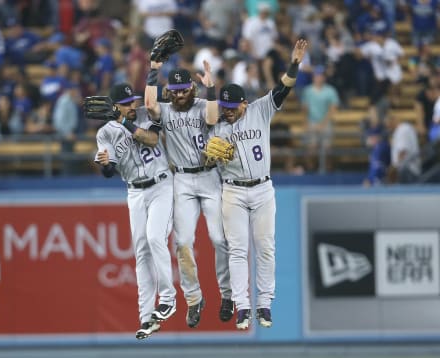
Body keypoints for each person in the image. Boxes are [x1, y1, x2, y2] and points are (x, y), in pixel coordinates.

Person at [208, 39, 308, 330]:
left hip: (263, 189)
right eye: (223, 106)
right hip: (233, 190)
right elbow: (203, 151)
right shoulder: (218, 126)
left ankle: (264, 304)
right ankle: (242, 306)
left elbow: (284, 87)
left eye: (231, 106)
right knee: (237, 249)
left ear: (243, 103)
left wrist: (295, 62)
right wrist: (208, 157)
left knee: (265, 247)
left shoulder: (261, 109)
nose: (227, 111)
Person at [145, 60, 233, 328]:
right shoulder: (166, 110)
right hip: (181, 179)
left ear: (192, 89)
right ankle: (194, 299)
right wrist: (152, 72)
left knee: (219, 238)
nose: (181, 94)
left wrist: (210, 89)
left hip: (209, 177)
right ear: (169, 90)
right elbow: (149, 105)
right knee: (182, 242)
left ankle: (227, 295)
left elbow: (212, 118)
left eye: (185, 89)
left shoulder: (201, 105)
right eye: (176, 90)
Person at [92, 83, 176, 340]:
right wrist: (105, 165)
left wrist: (124, 121)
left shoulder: (145, 115)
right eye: (127, 103)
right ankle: (147, 317)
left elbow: (151, 139)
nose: (133, 105)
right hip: (135, 192)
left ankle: (169, 297)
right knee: (141, 252)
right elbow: (108, 171)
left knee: (154, 238)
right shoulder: (105, 133)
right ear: (116, 106)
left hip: (162, 184)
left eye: (134, 101)